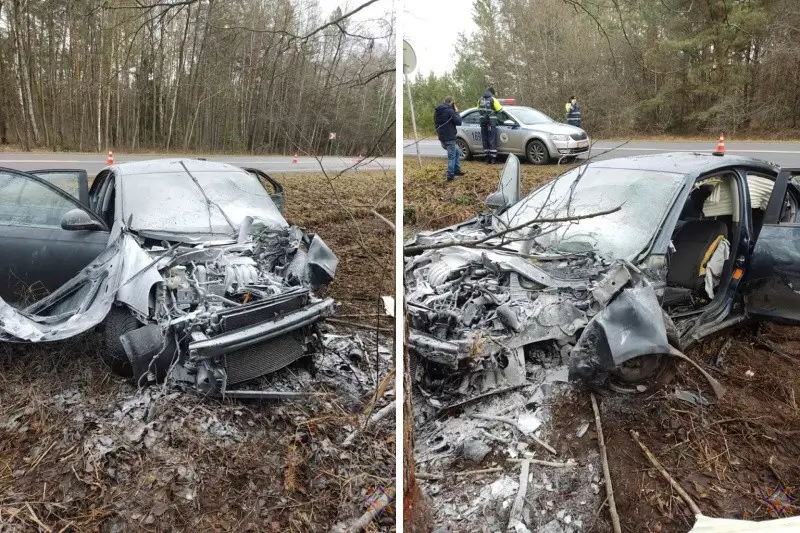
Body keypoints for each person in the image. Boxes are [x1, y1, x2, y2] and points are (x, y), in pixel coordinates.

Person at [434, 96, 465, 181]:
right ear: (451, 103)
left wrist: (439, 134)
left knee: (457, 151)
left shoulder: (437, 111)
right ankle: (450, 175)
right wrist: (457, 111)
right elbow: (459, 122)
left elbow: (436, 124)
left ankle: (457, 170)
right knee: (451, 156)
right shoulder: (450, 111)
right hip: (449, 137)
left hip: (442, 137)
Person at [478, 86, 503, 164]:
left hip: (483, 122)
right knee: (492, 139)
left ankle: (487, 157)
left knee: (484, 139)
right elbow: (500, 110)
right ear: (492, 93)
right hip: (491, 123)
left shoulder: (480, 100)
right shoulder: (493, 100)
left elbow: (478, 109)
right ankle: (493, 158)